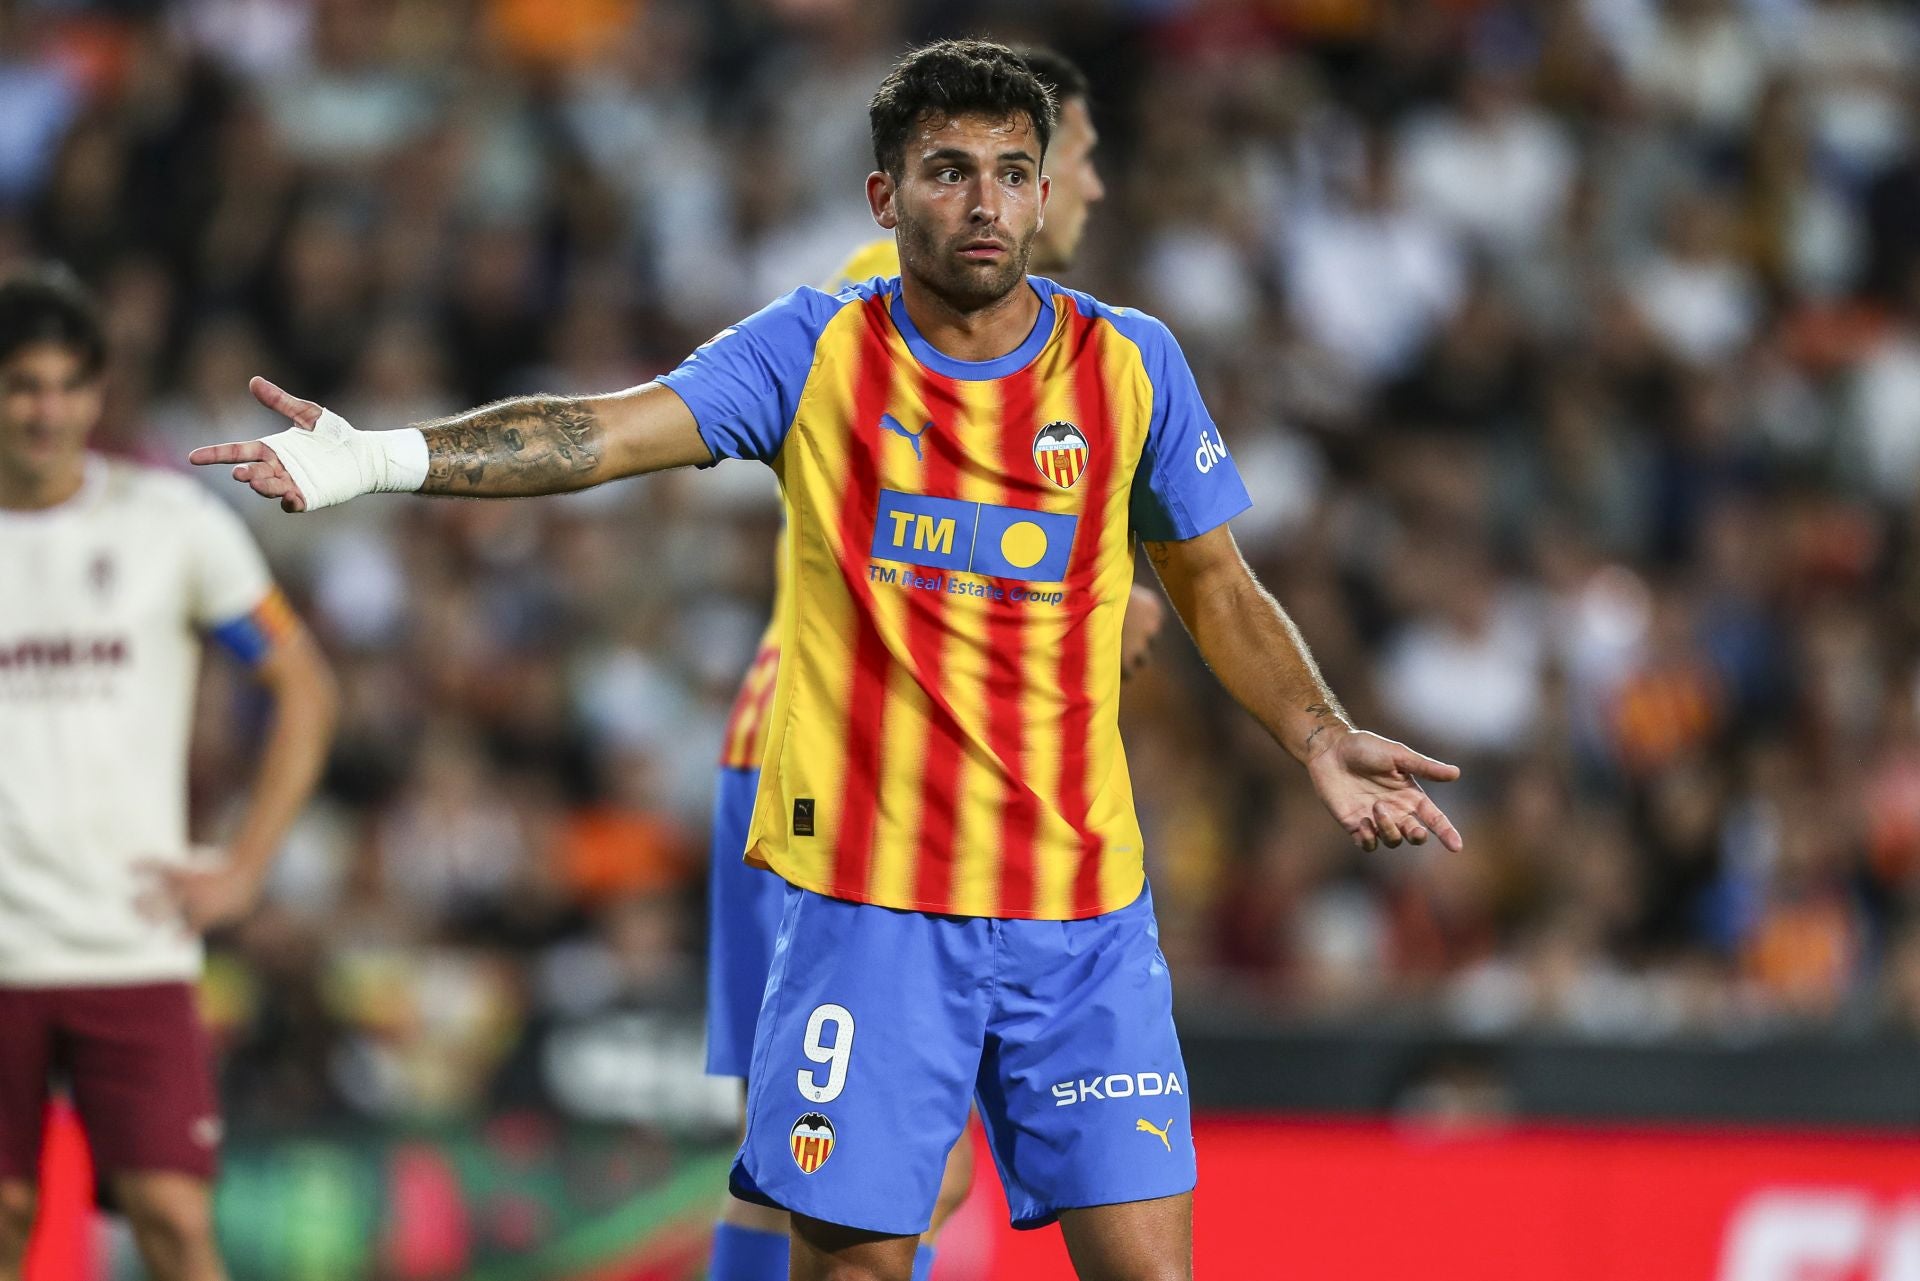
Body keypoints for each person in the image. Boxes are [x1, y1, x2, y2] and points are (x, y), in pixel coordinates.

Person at [193, 40, 1461, 1281]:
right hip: (873, 912)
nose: (986, 202)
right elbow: (595, 432)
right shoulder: (814, 352)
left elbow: (1214, 585)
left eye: (1014, 172)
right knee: (854, 1265)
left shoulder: (1130, 364)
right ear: (884, 197)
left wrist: (1316, 732)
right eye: (950, 170)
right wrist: (379, 457)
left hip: (1082, 916)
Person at [700, 45, 1163, 1281]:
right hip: (833, 782)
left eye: (1036, 168)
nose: (1087, 189)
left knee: (896, 1163)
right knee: (820, 1159)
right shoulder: (876, 301)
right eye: (1081, 157)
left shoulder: (1082, 351)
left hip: (928, 795)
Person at [0, 265, 337, 1281]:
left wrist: (243, 867)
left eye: (66, 385)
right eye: (22, 383)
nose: (45, 409)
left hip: (131, 940)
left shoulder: (169, 527)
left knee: (177, 1225)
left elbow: (305, 689)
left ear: (99, 394)